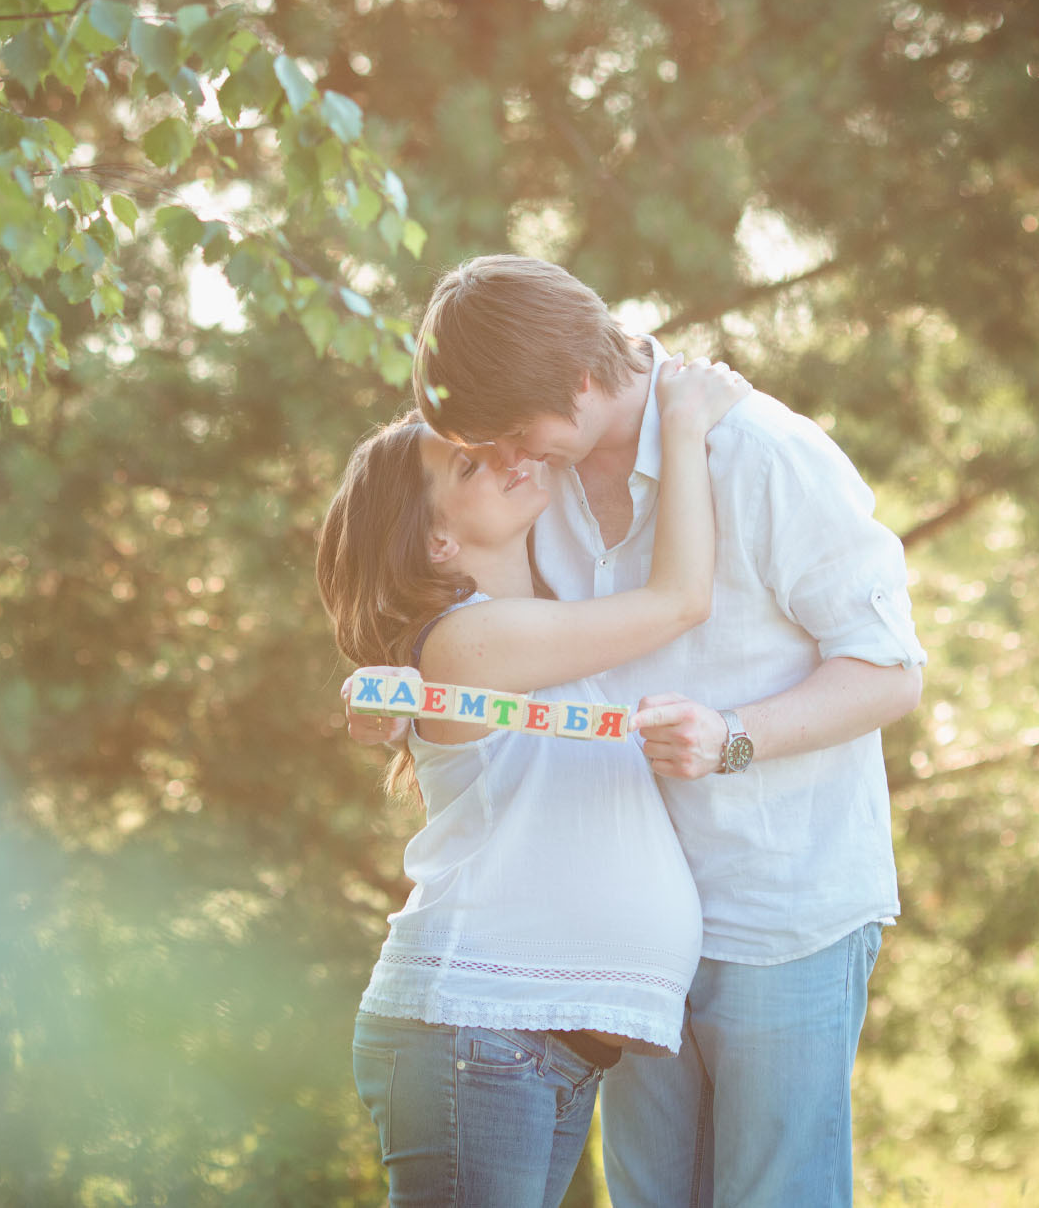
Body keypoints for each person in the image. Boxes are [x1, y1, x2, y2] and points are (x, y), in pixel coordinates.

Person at [348, 255, 927, 1206]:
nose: (511, 457)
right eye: (486, 445)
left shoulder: (764, 454)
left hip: (780, 908)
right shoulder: (542, 489)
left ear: (579, 380)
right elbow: (439, 582)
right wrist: (390, 690)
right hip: (629, 961)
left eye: (512, 433)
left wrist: (733, 735)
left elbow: (892, 670)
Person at [316, 355, 751, 1208]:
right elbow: (678, 601)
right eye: (469, 465)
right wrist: (684, 421)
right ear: (437, 542)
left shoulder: (546, 640)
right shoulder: (466, 641)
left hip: (526, 1042)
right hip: (476, 1030)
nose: (510, 455)